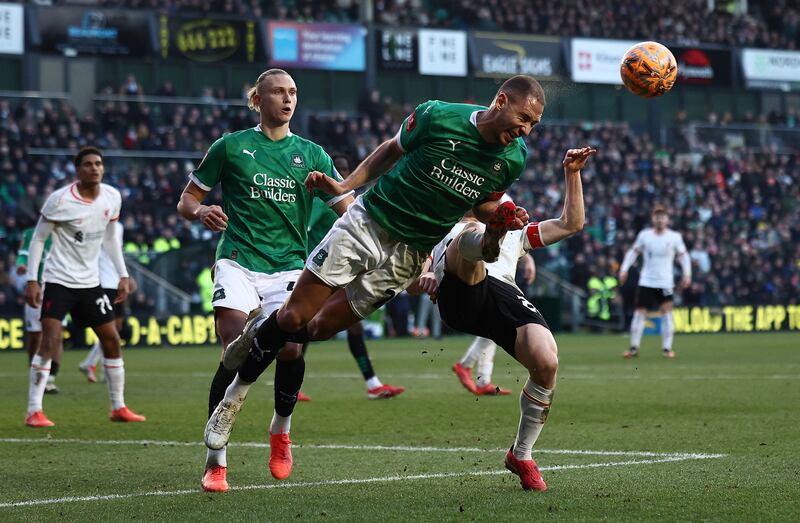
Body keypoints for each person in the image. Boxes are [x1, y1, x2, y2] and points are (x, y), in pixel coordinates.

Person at [204, 75, 546, 457]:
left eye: (533, 125)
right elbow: (391, 150)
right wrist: (345, 185)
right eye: (524, 117)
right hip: (369, 223)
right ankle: (233, 400)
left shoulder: (514, 157)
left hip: (409, 255)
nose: (526, 130)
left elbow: (483, 203)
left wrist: (500, 217)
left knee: (314, 329)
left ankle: (257, 345)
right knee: (293, 318)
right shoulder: (437, 116)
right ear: (501, 101)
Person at [177, 69, 353, 493]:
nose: (287, 99)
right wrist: (201, 213)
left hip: (290, 265)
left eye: (293, 92)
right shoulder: (231, 147)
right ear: (257, 99)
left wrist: (336, 189)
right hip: (238, 259)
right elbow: (188, 199)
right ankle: (216, 461)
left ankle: (281, 429)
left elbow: (350, 212)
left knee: (291, 346)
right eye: (278, 92)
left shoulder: (312, 154)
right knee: (234, 347)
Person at [418, 147, 595, 491]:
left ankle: (522, 454)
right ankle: (488, 239)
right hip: (460, 292)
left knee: (546, 360)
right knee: (469, 244)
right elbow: (411, 275)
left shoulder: (515, 229)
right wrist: (421, 279)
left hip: (502, 295)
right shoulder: (438, 224)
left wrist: (572, 174)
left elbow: (571, 224)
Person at [23, 146, 145, 428]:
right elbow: (39, 239)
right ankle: (34, 410)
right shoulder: (59, 200)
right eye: (88, 164)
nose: (94, 168)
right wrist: (32, 279)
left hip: (91, 283)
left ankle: (118, 407)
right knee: (50, 340)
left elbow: (112, 238)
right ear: (78, 170)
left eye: (99, 164)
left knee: (112, 339)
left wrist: (122, 274)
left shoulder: (112, 197)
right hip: (58, 281)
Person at [303, 154, 404, 399]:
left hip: (339, 269)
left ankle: (372, 383)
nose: (344, 176)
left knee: (352, 325)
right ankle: (284, 377)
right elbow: (303, 228)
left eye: (346, 171)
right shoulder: (321, 202)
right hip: (316, 268)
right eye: (340, 171)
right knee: (300, 321)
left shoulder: (350, 201)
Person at [450, 249, 536, 396]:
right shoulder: (476, 227)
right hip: (488, 277)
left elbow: (508, 238)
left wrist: (528, 260)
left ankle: (482, 380)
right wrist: (528, 260)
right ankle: (465, 365)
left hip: (495, 274)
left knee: (492, 328)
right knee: (498, 324)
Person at [618, 206, 691, 358]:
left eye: (662, 216)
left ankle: (667, 348)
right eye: (657, 216)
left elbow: (683, 256)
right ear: (652, 218)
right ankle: (634, 348)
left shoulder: (674, 237)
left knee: (667, 314)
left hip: (665, 282)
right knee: (639, 313)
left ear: (667, 219)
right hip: (647, 281)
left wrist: (687, 274)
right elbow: (633, 252)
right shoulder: (645, 235)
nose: (660, 219)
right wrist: (624, 269)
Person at [78, 221, 136, 382]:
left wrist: (126, 275)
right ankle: (98, 367)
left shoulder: (119, 227)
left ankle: (94, 364)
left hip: (117, 282)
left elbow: (118, 254)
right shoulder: (96, 224)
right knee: (109, 328)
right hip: (103, 283)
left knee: (116, 328)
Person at [16, 224, 60, 393]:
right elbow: (23, 254)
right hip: (37, 289)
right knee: (36, 336)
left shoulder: (65, 232)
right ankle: (34, 374)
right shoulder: (30, 233)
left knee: (55, 335)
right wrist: (21, 265)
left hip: (58, 288)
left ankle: (50, 379)